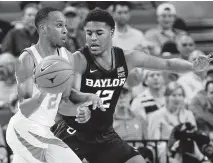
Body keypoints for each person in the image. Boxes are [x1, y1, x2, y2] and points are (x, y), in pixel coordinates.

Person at [53, 8, 212, 163]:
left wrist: (192, 66)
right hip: (73, 133)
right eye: (89, 33)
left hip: (103, 134)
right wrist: (80, 109)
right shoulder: (79, 59)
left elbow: (168, 64)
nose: (93, 38)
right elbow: (70, 95)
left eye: (99, 33)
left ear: (111, 33)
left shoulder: (127, 58)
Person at [5, 7, 102, 163]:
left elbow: (67, 98)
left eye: (65, 25)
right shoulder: (27, 58)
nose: (65, 29)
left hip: (44, 130)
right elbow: (25, 107)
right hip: (24, 128)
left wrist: (86, 102)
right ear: (43, 28)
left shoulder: (67, 57)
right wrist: (46, 88)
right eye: (59, 25)